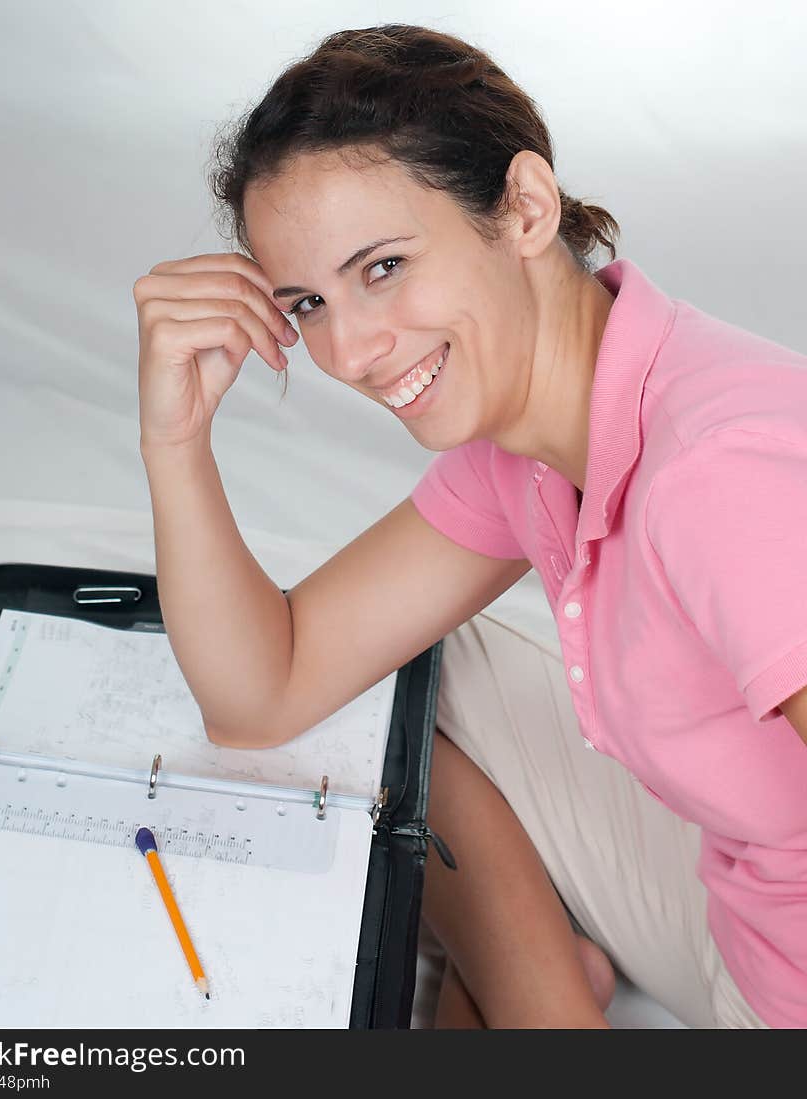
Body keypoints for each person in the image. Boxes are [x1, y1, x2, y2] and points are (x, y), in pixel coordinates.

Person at [132, 24, 807, 1028]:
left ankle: (522, 1006)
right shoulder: (525, 442)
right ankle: (540, 987)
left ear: (524, 207)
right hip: (740, 898)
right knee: (415, 688)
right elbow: (260, 694)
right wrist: (174, 438)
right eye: (309, 301)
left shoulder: (717, 471)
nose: (352, 350)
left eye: (386, 266)